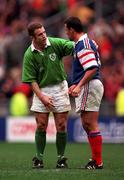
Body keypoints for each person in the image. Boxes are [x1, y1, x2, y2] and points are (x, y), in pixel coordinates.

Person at [22, 21, 73, 169]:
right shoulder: (29, 55)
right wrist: (42, 97)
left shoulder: (55, 43)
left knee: (61, 125)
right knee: (41, 125)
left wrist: (84, 43)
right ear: (33, 37)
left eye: (44, 32)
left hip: (59, 87)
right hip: (41, 89)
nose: (44, 36)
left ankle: (61, 158)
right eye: (40, 34)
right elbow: (31, 80)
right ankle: (38, 158)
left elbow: (73, 47)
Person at [64, 17, 104, 169]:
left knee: (90, 124)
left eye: (66, 29)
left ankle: (97, 162)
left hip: (90, 85)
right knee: (87, 124)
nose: (66, 32)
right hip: (87, 84)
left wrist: (79, 85)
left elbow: (92, 68)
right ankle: (95, 160)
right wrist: (74, 85)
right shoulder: (84, 43)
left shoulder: (83, 45)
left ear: (72, 30)